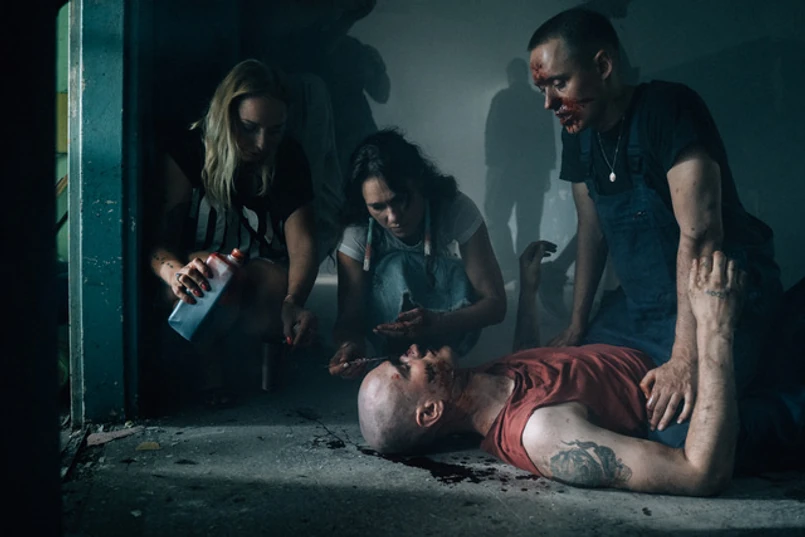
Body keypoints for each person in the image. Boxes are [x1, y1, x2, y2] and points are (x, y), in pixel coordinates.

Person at [526, 8, 784, 447]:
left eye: (559, 83)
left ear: (603, 66)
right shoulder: (577, 132)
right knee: (573, 390)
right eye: (542, 89)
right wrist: (577, 325)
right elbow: (592, 229)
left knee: (679, 434)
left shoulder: (668, 109)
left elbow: (701, 236)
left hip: (719, 300)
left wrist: (684, 358)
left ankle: (781, 401)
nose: (549, 103)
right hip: (640, 308)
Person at [357, 246, 802, 495]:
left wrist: (529, 290)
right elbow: (699, 473)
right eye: (404, 366)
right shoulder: (542, 433)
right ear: (430, 412)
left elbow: (528, 363)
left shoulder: (479, 383)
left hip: (642, 344)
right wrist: (714, 330)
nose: (410, 350)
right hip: (697, 400)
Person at [149, 59, 320, 397]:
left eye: (275, 130)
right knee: (208, 271)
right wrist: (175, 273)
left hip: (260, 279)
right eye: (248, 127)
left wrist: (294, 300)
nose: (262, 143)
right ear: (225, 117)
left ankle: (261, 361)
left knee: (269, 283)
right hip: (200, 276)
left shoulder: (288, 157)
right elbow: (157, 243)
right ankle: (209, 369)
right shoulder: (189, 150)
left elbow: (303, 244)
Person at [328, 128, 506, 378]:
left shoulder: (456, 208)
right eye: (377, 207)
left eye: (401, 200)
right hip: (386, 340)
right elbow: (349, 320)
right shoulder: (356, 233)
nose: (393, 217)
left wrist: (439, 322)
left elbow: (495, 304)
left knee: (447, 271)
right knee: (394, 267)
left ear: (420, 183)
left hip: (450, 329)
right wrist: (349, 347)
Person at [484, 57, 555, 283]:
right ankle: (526, 269)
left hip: (504, 171)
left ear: (509, 76)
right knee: (529, 224)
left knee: (496, 218)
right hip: (533, 173)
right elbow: (548, 139)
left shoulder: (502, 99)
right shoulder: (538, 100)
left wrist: (493, 168)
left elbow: (491, 135)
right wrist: (547, 170)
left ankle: (508, 266)